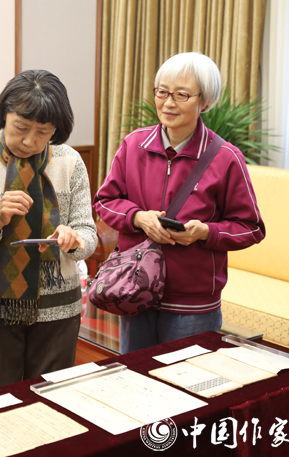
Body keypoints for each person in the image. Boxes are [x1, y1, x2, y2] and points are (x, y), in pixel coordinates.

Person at [94, 52, 265, 354]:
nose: (168, 103)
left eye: (181, 95)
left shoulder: (226, 158)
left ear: (204, 101)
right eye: (162, 92)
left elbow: (251, 227)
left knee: (187, 380)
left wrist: (206, 232)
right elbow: (105, 201)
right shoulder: (133, 145)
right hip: (135, 288)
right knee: (136, 376)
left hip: (192, 304)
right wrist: (138, 217)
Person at [0, 70, 97, 393]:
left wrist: (74, 240)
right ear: (3, 116)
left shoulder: (70, 163)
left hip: (59, 307)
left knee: (52, 403)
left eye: (43, 132)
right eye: (20, 128)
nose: (30, 141)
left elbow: (88, 234)